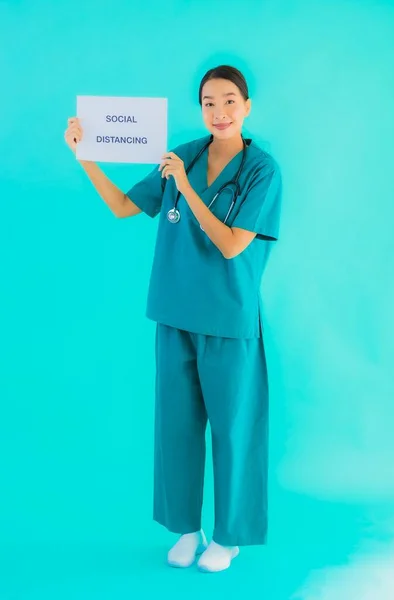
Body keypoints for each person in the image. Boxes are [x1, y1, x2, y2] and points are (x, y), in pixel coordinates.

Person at [64, 65, 282, 573]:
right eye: (209, 102)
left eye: (230, 101)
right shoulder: (183, 156)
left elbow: (231, 245)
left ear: (246, 107)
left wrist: (185, 188)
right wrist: (84, 156)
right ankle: (188, 529)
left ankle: (229, 538)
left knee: (235, 431)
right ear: (200, 108)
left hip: (229, 320)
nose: (220, 112)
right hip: (175, 314)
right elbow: (122, 206)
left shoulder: (262, 170)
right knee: (177, 429)